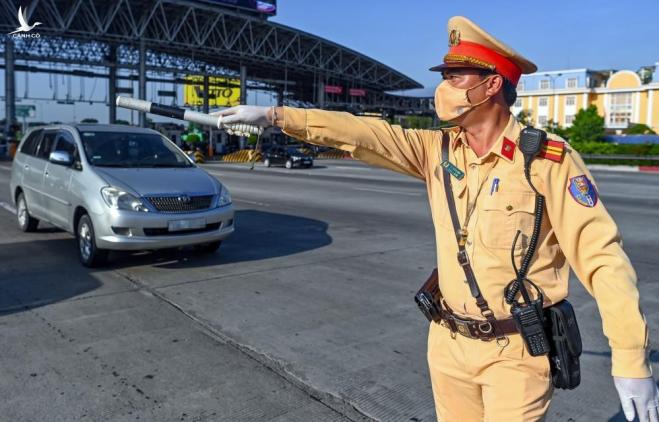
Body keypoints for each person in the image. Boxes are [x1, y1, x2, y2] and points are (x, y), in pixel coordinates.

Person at [214, 16, 658, 422]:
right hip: (447, 343)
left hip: (516, 352)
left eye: (454, 76)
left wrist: (630, 356)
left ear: (491, 85)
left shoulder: (546, 159)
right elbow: (366, 132)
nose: (444, 87)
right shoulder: (438, 150)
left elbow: (602, 258)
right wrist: (276, 116)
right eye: (443, 76)